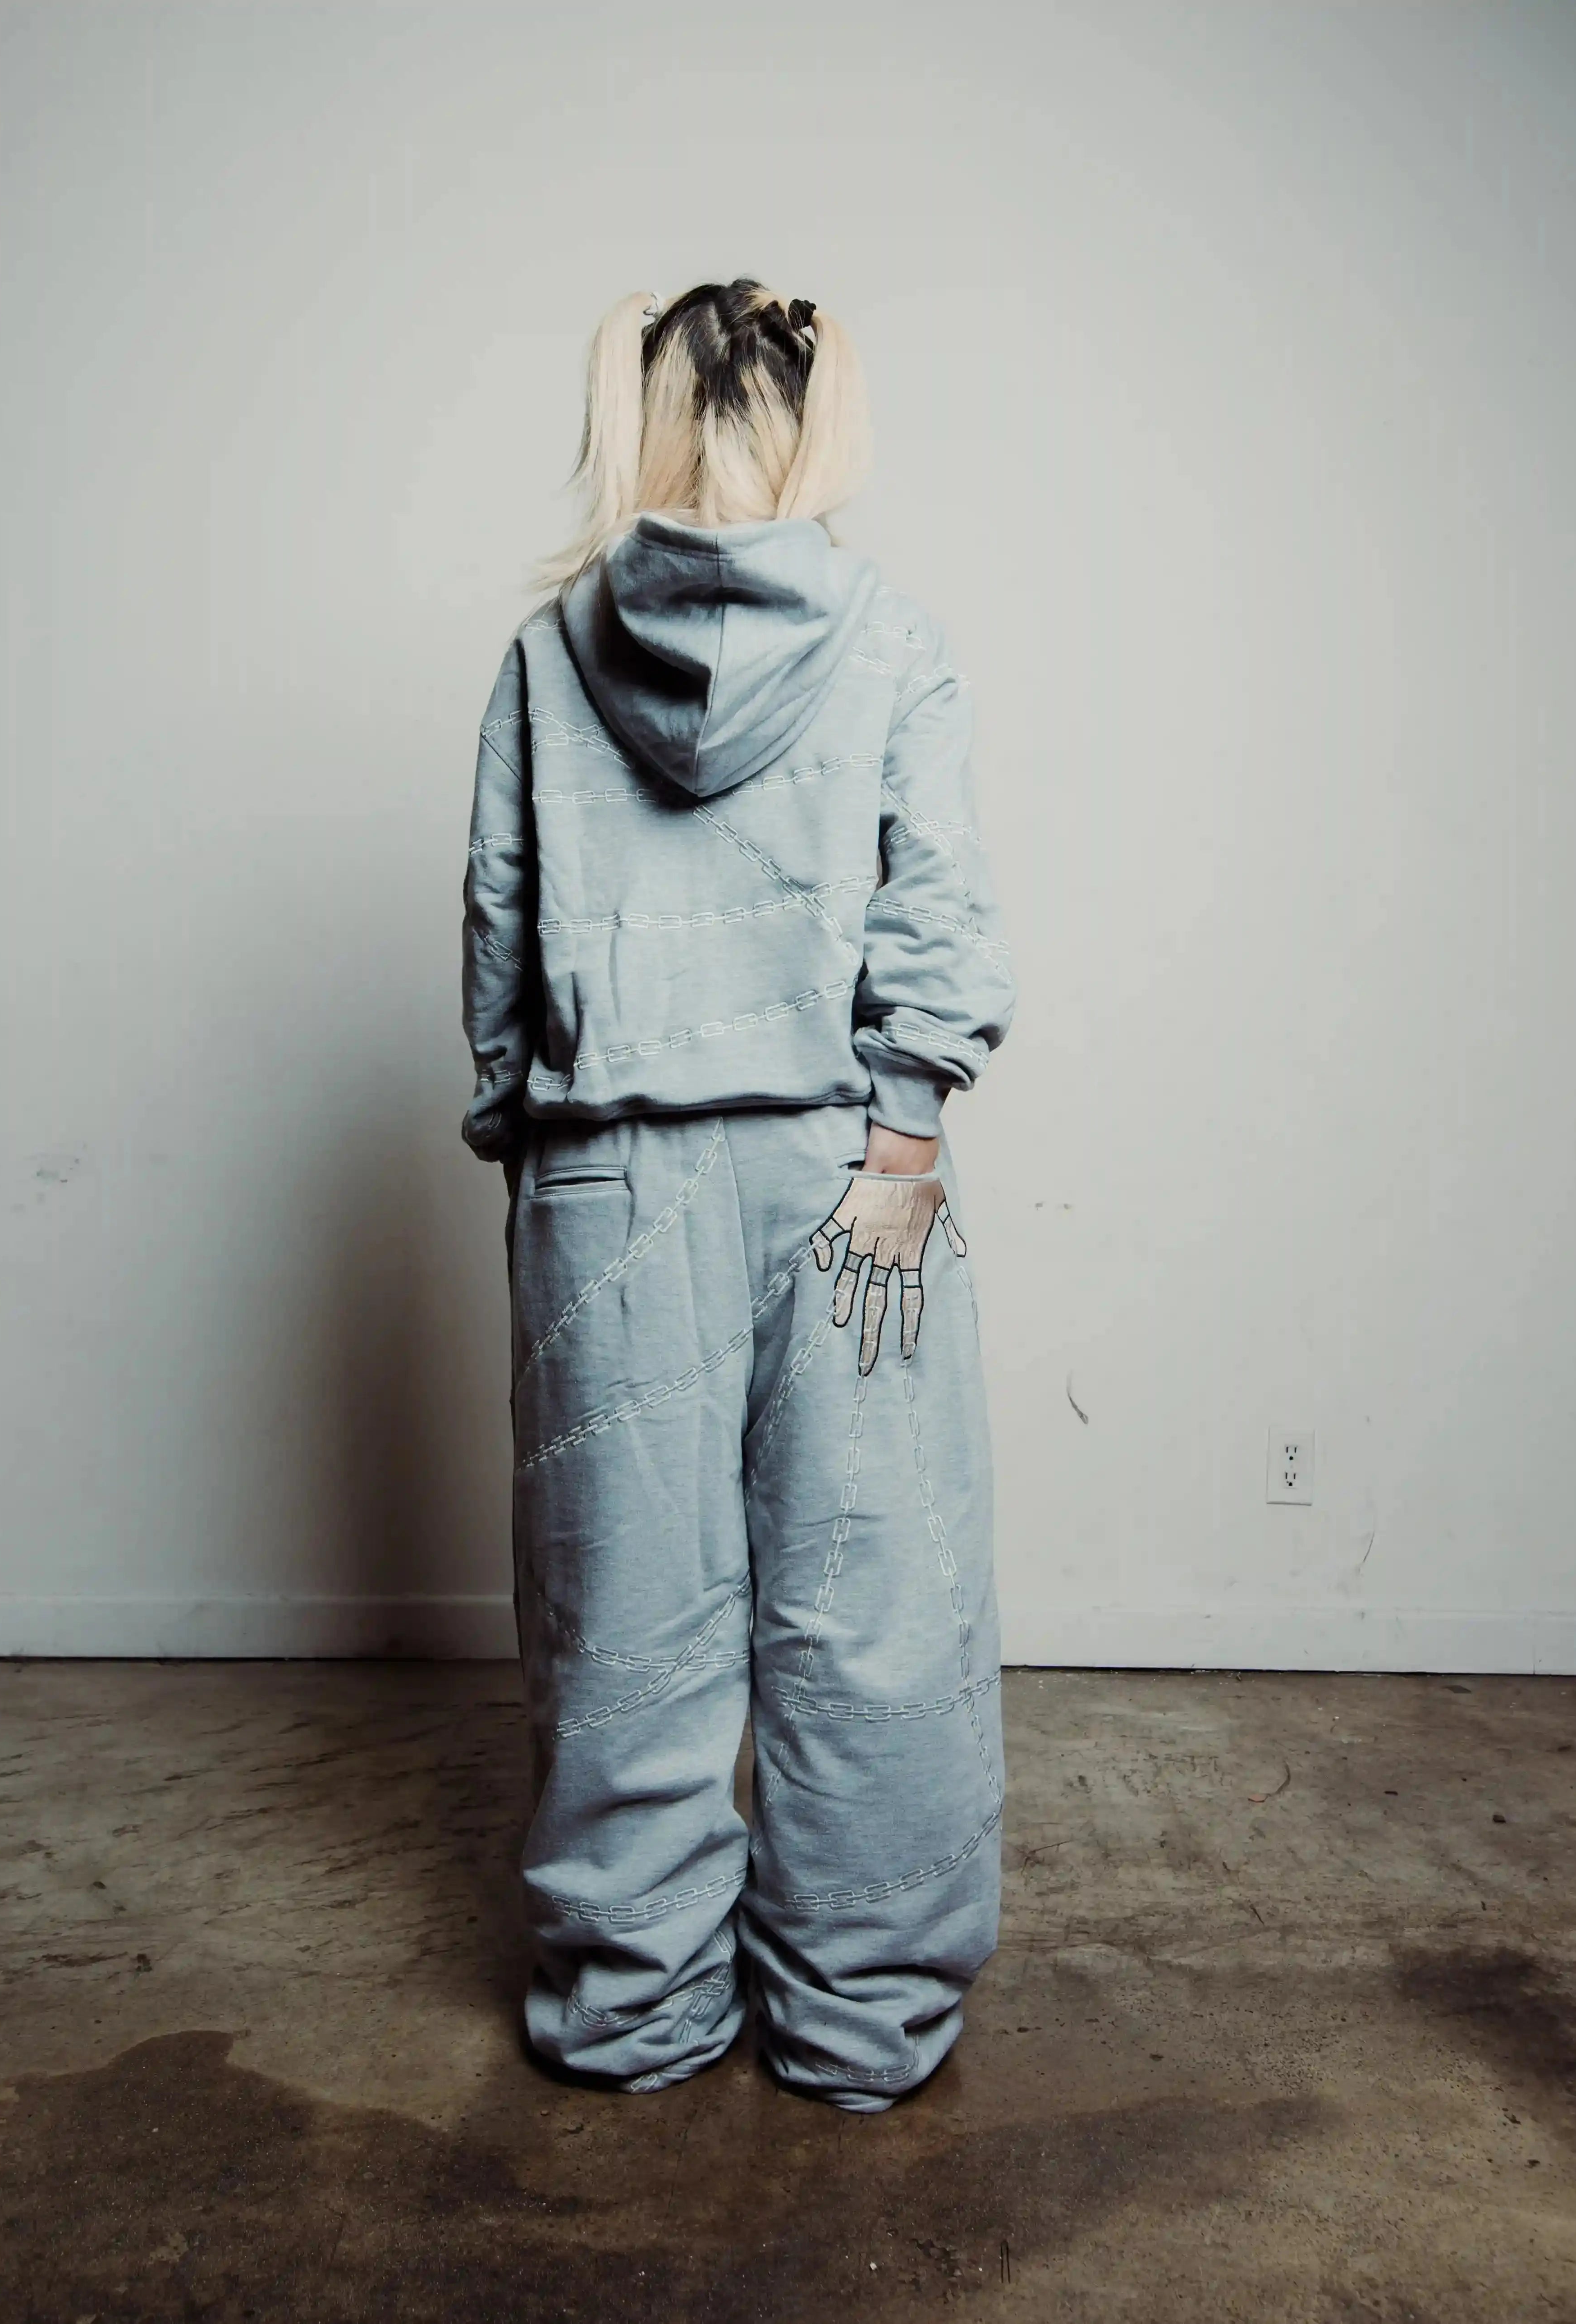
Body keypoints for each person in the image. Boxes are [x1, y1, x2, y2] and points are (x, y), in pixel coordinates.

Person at [458, 278, 1017, 2112]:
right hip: (854, 1168)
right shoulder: (891, 639)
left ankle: (631, 2007)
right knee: (875, 1597)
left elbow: (497, 919)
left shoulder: (546, 651)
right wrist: (904, 1128)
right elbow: (937, 908)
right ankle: (863, 2016)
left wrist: (523, 1132)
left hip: (601, 1172)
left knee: (624, 1605)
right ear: (808, 421)